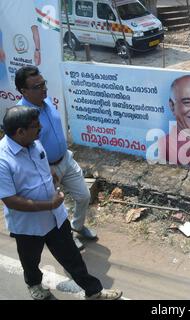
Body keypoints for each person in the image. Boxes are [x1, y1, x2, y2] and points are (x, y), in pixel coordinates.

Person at [0, 106, 122, 300]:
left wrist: (50, 172)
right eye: (36, 126)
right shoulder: (2, 160)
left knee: (73, 258)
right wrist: (49, 204)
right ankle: (34, 284)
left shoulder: (34, 143)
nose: (41, 128)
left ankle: (94, 291)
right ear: (20, 132)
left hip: (55, 218)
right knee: (30, 260)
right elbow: (10, 200)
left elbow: (41, 161)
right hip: (28, 227)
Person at [15, 66, 95, 250]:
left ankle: (78, 226)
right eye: (37, 86)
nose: (43, 88)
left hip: (66, 159)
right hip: (47, 169)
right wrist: (45, 168)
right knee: (57, 208)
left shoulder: (46, 100)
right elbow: (25, 149)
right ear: (23, 91)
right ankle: (67, 238)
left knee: (83, 196)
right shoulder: (22, 115)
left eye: (43, 83)